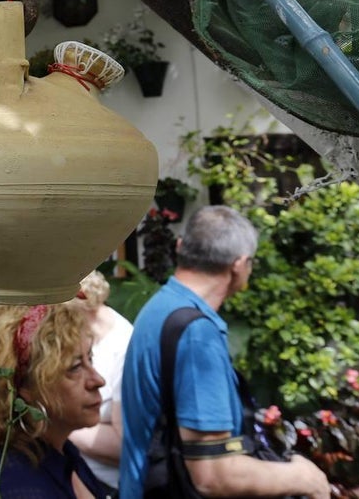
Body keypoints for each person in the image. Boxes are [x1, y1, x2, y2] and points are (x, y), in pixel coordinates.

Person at [119, 205, 330, 499]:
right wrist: (302, 477)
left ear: (180, 247)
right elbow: (212, 475)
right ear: (240, 265)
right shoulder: (196, 336)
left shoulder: (160, 307)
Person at [0, 302, 109, 499]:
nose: (98, 380)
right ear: (27, 388)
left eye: (90, 359)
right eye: (75, 367)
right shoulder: (18, 486)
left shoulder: (61, 453)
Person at [70, 270, 134, 494]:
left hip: (106, 486)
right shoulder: (89, 339)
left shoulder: (124, 349)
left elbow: (123, 444)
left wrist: (54, 423)